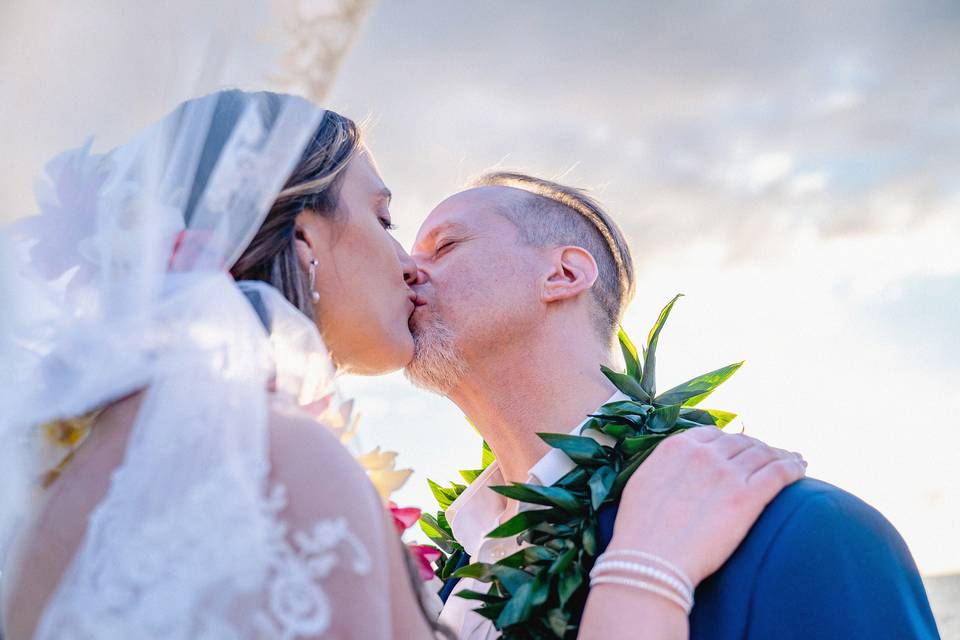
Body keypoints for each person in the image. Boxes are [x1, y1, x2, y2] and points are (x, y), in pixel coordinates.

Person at [1, 91, 803, 640]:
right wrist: (646, 572)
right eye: (384, 220)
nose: (406, 263)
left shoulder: (104, 458)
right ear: (306, 238)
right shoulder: (274, 457)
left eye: (441, 242)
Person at [406, 171, 941, 639]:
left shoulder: (805, 530)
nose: (406, 271)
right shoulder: (458, 575)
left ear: (564, 274)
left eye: (445, 246)